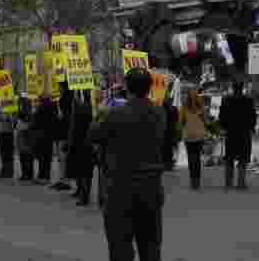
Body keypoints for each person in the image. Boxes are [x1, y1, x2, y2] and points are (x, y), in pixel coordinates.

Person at [88, 68, 166, 261]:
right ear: (149, 88)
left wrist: (99, 111)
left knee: (120, 247)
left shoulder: (115, 114)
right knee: (151, 247)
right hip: (151, 188)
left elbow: (93, 135)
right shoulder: (159, 113)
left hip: (121, 189)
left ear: (127, 88)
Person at [219, 82, 256, 189]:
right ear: (242, 88)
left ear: (233, 88)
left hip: (230, 133)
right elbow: (253, 117)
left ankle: (228, 183)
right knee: (242, 159)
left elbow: (222, 117)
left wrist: (224, 128)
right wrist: (251, 128)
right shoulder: (248, 100)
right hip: (244, 134)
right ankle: (241, 183)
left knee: (229, 159)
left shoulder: (226, 100)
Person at [68, 90, 96, 206]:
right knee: (84, 171)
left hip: (81, 142)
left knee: (83, 171)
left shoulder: (81, 108)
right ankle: (82, 192)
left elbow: (74, 127)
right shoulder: (90, 108)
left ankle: (83, 195)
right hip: (85, 142)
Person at [179, 88, 207, 190]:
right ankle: (197, 181)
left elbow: (181, 121)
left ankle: (193, 180)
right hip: (199, 135)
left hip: (189, 136)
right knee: (197, 158)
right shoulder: (201, 108)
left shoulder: (184, 108)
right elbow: (205, 121)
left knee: (191, 159)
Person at [34, 95, 57, 184]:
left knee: (42, 158)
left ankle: (42, 176)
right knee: (47, 158)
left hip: (41, 136)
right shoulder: (52, 109)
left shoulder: (41, 110)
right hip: (48, 136)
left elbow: (36, 122)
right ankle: (46, 176)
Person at [16, 98, 36, 182]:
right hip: (22, 131)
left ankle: (28, 174)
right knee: (23, 154)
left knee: (26, 154)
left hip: (26, 132)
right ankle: (26, 173)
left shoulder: (28, 111)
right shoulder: (24, 109)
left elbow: (27, 119)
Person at [0, 102, 17, 179]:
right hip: (1, 131)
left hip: (8, 132)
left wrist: (7, 116)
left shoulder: (12, 107)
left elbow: (13, 120)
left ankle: (9, 171)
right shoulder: (0, 106)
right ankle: (4, 169)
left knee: (8, 152)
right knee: (3, 152)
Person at [161, 98, 178, 171]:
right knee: (169, 148)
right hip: (171, 130)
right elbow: (176, 119)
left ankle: (166, 164)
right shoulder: (174, 109)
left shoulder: (162, 108)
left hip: (165, 130)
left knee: (165, 148)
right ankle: (168, 165)